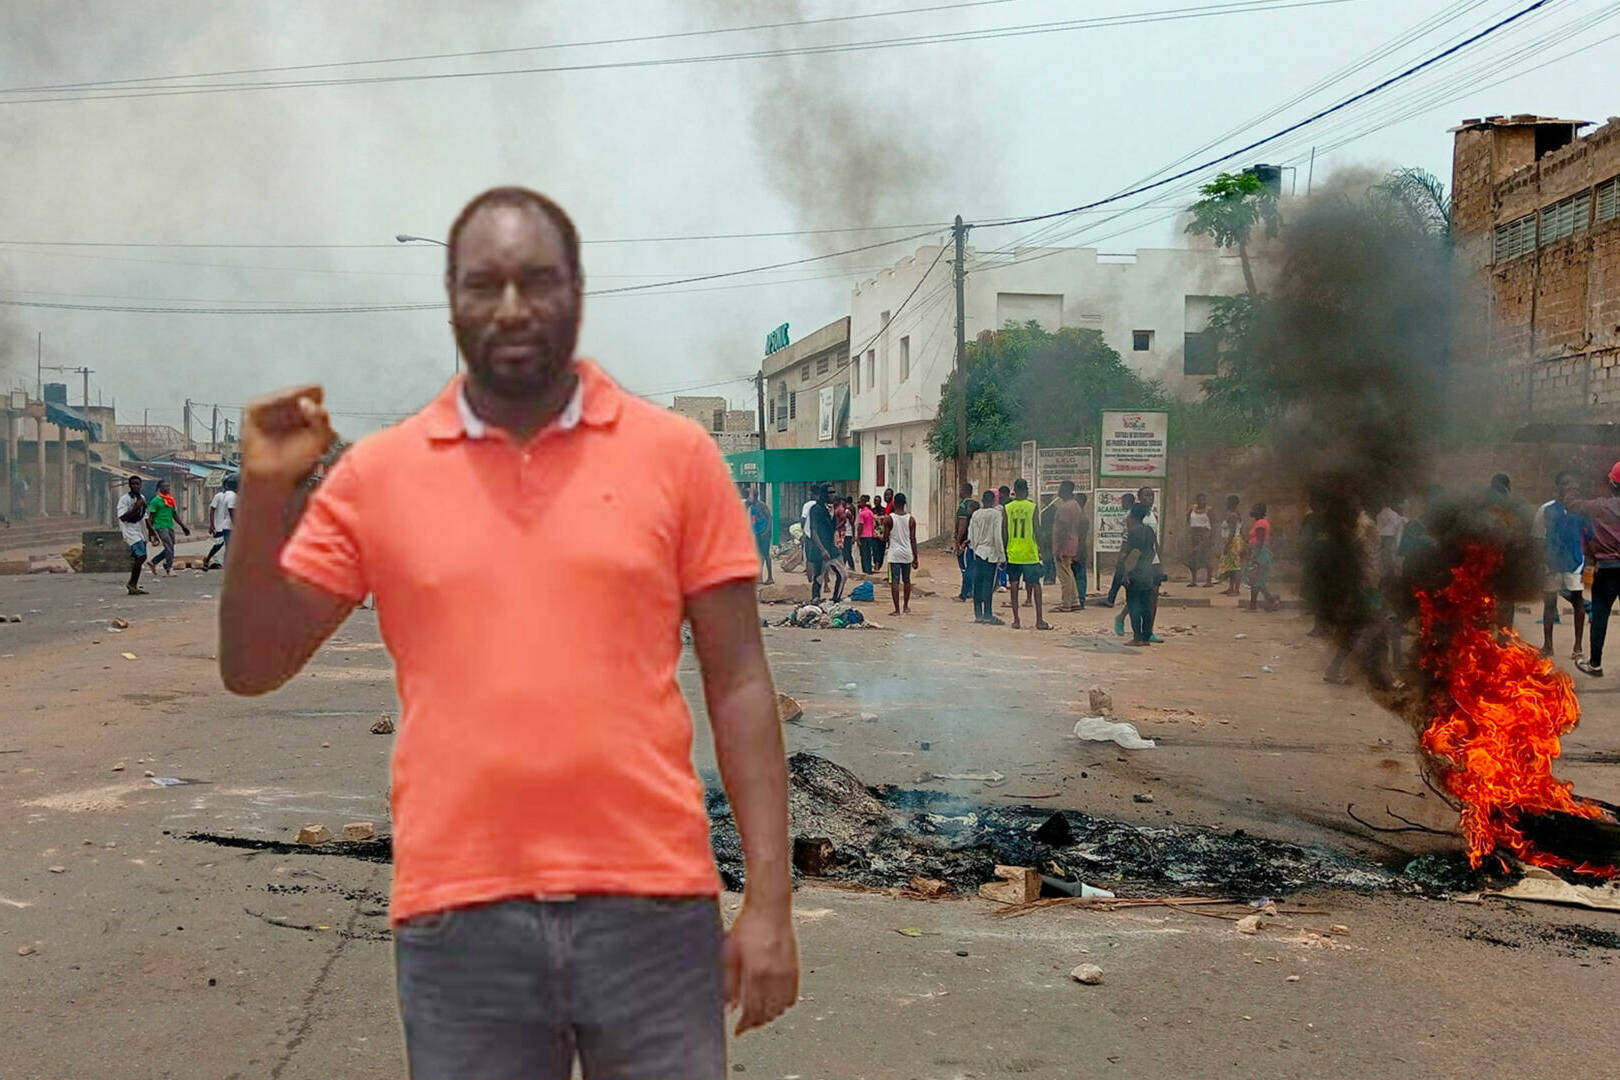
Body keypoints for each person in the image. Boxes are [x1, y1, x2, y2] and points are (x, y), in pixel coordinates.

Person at [219, 187, 797, 1076]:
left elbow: (740, 681)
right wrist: (262, 500)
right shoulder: (380, 474)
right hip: (458, 921)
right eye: (484, 284)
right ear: (451, 299)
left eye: (539, 281)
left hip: (651, 911)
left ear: (578, 289)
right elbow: (254, 667)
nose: (514, 307)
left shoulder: (676, 457)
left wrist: (769, 901)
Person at [1568, 463, 1620, 677]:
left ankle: (1595, 664)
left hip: (1606, 570)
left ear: (1612, 483)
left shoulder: (1598, 506)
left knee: (1600, 617)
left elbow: (1571, 505)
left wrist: (1573, 485)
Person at [1535, 472, 1590, 660]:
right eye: (1566, 484)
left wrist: (1590, 560)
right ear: (1557, 487)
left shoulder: (1581, 510)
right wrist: (1542, 560)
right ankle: (1548, 645)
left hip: (1574, 561)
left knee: (1578, 602)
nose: (1570, 488)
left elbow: (1589, 535)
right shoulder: (1546, 509)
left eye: (1573, 485)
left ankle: (1578, 647)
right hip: (1552, 562)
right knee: (1550, 603)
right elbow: (1537, 536)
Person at [1115, 487, 1163, 641]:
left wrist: (1160, 563)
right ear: (1139, 497)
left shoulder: (1152, 517)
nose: (1150, 498)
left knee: (1146, 598)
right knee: (1142, 597)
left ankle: (1145, 633)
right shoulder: (1132, 517)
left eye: (1152, 495)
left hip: (1147, 564)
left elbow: (1153, 545)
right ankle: (1135, 626)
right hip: (1143, 564)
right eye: (1146, 495)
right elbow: (1127, 543)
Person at [1002, 478, 1051, 631]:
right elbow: (1037, 530)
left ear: (1014, 490)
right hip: (1030, 552)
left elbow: (1004, 531)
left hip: (1013, 552)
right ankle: (1039, 620)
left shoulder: (1007, 507)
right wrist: (1042, 549)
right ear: (1027, 490)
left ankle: (1016, 620)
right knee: (1036, 585)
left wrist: (1004, 550)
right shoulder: (1032, 507)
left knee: (1014, 585)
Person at [1120, 503, 1158, 646]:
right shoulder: (1149, 531)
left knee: (1134, 605)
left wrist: (1126, 573)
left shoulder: (1133, 532)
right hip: (1147, 572)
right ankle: (1146, 636)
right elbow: (1153, 550)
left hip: (1135, 573)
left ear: (1133, 516)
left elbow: (1133, 554)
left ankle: (1137, 637)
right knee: (1146, 606)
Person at [967, 489, 1005, 624]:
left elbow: (971, 536)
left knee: (978, 583)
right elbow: (997, 537)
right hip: (991, 553)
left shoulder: (976, 515)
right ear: (994, 501)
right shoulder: (996, 515)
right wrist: (1002, 556)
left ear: (982, 501)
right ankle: (988, 614)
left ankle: (978, 614)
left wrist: (976, 548)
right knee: (989, 585)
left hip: (978, 552)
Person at [144, 478, 192, 577]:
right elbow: (151, 518)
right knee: (169, 546)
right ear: (159, 488)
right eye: (165, 486)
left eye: (168, 486)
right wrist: (151, 532)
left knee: (170, 547)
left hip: (170, 525)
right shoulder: (155, 501)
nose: (167, 488)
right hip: (160, 526)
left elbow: (174, 514)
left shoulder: (170, 499)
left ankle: (154, 561)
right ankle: (169, 568)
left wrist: (183, 526)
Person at [806, 484, 844, 604]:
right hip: (820, 550)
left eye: (833, 492)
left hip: (831, 548)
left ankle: (835, 600)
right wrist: (822, 549)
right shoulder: (816, 509)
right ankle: (816, 599)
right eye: (830, 492)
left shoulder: (831, 509)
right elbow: (813, 531)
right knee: (819, 577)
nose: (833, 495)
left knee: (843, 575)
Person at [1051, 481, 1086, 612]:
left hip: (1064, 544)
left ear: (1065, 490)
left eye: (1060, 488)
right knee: (1068, 572)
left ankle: (1066, 603)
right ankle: (1074, 600)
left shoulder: (1065, 507)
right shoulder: (1075, 505)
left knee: (1064, 575)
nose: (1058, 491)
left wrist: (1058, 548)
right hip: (1073, 541)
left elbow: (1063, 529)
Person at [882, 492, 919, 615]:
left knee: (895, 581)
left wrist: (880, 537)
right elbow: (913, 539)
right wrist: (915, 557)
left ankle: (897, 609)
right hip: (907, 553)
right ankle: (906, 606)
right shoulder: (911, 519)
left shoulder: (889, 518)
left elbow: (886, 537)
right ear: (905, 503)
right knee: (907, 580)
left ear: (894, 503)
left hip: (894, 554)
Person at [1099, 491, 1135, 608]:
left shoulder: (1129, 516)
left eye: (1123, 502)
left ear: (1127, 502)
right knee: (1122, 574)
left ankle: (1112, 599)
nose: (1121, 504)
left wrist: (1123, 553)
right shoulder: (1133, 514)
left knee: (1120, 573)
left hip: (1128, 548)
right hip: (1131, 549)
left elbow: (1127, 536)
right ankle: (1113, 598)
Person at [115, 475, 150, 596]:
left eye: (138, 484)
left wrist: (152, 532)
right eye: (133, 484)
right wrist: (136, 506)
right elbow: (123, 517)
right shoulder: (124, 499)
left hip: (140, 531)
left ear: (141, 485)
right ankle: (131, 583)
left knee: (139, 558)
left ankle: (133, 585)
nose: (136, 486)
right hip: (129, 531)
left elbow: (145, 517)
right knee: (141, 557)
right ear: (129, 485)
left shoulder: (142, 498)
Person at [1243, 502, 1281, 611]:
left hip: (1259, 553)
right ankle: (1270, 601)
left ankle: (1260, 603)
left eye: (1254, 509)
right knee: (1258, 581)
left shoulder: (1260, 524)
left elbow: (1260, 541)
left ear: (1259, 511)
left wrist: (1254, 557)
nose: (1251, 511)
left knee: (1255, 580)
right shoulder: (1261, 522)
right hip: (1260, 552)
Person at [203, 476, 237, 570]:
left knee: (224, 544)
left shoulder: (231, 496)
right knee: (219, 544)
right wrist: (212, 524)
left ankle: (217, 561)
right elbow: (212, 510)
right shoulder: (219, 496)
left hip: (225, 525)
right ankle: (209, 559)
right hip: (220, 524)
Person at [954, 481, 979, 602]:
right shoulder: (977, 504)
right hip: (976, 541)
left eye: (960, 489)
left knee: (965, 568)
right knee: (973, 567)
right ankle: (972, 591)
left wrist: (958, 542)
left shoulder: (963, 506)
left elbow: (962, 525)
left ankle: (965, 592)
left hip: (965, 541)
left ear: (964, 491)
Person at [1216, 494, 1245, 595]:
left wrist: (1227, 545)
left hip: (1233, 542)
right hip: (1234, 541)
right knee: (1232, 566)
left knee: (1235, 566)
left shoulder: (1233, 516)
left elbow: (1232, 532)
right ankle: (1231, 588)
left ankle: (1236, 589)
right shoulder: (1235, 514)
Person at [1186, 493, 1213, 586]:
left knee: (1206, 557)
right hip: (1194, 534)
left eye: (1203, 499)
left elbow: (1213, 523)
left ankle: (1208, 581)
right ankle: (1194, 580)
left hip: (1205, 534)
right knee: (1193, 557)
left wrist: (1210, 536)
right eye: (1199, 499)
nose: (1201, 501)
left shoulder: (1209, 510)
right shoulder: (1192, 509)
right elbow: (1188, 519)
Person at [748, 488, 774, 585]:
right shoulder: (751, 506)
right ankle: (760, 576)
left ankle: (770, 576)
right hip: (757, 532)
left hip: (764, 532)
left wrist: (767, 530)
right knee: (759, 555)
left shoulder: (761, 505)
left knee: (766, 554)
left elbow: (769, 517)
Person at [857, 494, 878, 574]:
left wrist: (858, 537)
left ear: (863, 502)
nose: (859, 504)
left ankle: (865, 569)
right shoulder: (870, 512)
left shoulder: (862, 513)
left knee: (864, 554)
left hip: (863, 535)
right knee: (869, 553)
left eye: (860, 502)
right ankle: (869, 569)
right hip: (870, 535)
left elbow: (860, 526)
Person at [833, 495, 854, 569]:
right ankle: (843, 565)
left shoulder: (845, 511)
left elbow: (851, 523)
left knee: (846, 551)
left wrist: (854, 535)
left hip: (846, 533)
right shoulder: (838, 509)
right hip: (842, 532)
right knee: (843, 550)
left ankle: (851, 565)